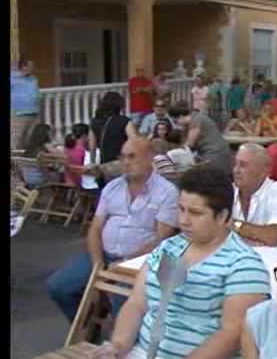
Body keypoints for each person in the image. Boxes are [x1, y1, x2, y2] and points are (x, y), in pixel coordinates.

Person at [86, 164, 271, 359]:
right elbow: (137, 304)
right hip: (143, 355)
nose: (183, 220)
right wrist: (118, 347)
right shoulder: (168, 248)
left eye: (195, 213)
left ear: (223, 217)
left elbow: (233, 334)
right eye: (181, 209)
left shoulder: (243, 265)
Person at [46, 138, 179, 322]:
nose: (125, 162)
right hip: (105, 255)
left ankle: (120, 345)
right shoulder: (112, 187)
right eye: (122, 157)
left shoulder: (166, 192)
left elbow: (161, 240)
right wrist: (98, 263)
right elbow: (95, 228)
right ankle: (88, 327)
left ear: (150, 158)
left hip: (139, 262)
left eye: (132, 157)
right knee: (58, 286)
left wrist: (125, 262)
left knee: (121, 300)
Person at [232, 143, 277, 246]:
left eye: (243, 165)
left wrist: (233, 224)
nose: (236, 170)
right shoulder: (228, 191)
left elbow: (272, 237)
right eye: (235, 164)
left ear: (263, 171)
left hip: (274, 259)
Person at [173, 104, 233, 173]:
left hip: (214, 154)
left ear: (180, 117)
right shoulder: (196, 118)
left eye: (176, 122)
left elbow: (189, 145)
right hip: (214, 153)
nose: (176, 125)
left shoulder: (196, 120)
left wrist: (173, 154)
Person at [89, 92, 137, 164]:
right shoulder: (124, 121)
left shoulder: (94, 122)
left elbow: (92, 147)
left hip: (105, 164)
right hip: (122, 163)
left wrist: (92, 163)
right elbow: (134, 141)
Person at [11, 59, 41, 149]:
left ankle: (26, 158)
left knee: (31, 138)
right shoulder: (13, 77)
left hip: (34, 112)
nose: (31, 68)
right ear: (22, 67)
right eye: (29, 66)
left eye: (32, 66)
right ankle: (16, 159)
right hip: (19, 113)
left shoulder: (33, 78)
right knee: (18, 139)